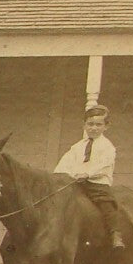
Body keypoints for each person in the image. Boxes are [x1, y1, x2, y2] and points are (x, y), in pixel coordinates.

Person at [53, 104, 123, 249]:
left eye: (98, 124)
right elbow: (66, 162)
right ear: (84, 125)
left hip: (97, 184)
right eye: (90, 124)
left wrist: (88, 174)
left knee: (106, 204)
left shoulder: (107, 146)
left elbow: (104, 164)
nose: (94, 128)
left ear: (106, 126)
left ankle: (115, 234)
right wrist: (59, 175)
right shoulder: (77, 146)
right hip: (77, 183)